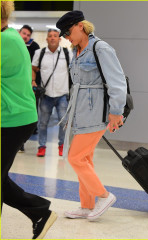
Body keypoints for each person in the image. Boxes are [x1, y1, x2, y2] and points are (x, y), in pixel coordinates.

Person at [56, 10, 127, 221]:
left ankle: (104, 196)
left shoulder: (100, 48)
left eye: (68, 31)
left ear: (80, 26)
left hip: (96, 113)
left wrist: (116, 112)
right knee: (85, 158)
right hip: (80, 113)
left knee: (75, 157)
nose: (66, 37)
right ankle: (87, 206)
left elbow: (117, 82)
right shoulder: (77, 51)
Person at [1, 2, 57, 239]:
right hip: (11, 117)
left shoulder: (7, 41)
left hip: (13, 119)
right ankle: (40, 212)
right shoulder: (10, 36)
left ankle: (40, 211)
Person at [32, 29, 72, 157]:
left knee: (63, 122)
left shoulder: (67, 53)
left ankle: (61, 145)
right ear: (47, 39)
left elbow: (73, 70)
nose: (53, 38)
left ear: (60, 39)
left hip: (62, 95)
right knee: (42, 123)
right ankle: (42, 146)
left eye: (55, 36)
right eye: (50, 36)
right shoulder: (40, 53)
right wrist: (33, 80)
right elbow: (34, 68)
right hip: (46, 95)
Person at [18, 25, 40, 153]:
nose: (25, 36)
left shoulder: (34, 47)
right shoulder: (11, 43)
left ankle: (21, 142)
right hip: (14, 85)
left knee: (27, 114)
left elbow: (34, 68)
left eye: (28, 35)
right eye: (24, 33)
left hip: (28, 86)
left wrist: (33, 82)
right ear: (19, 32)